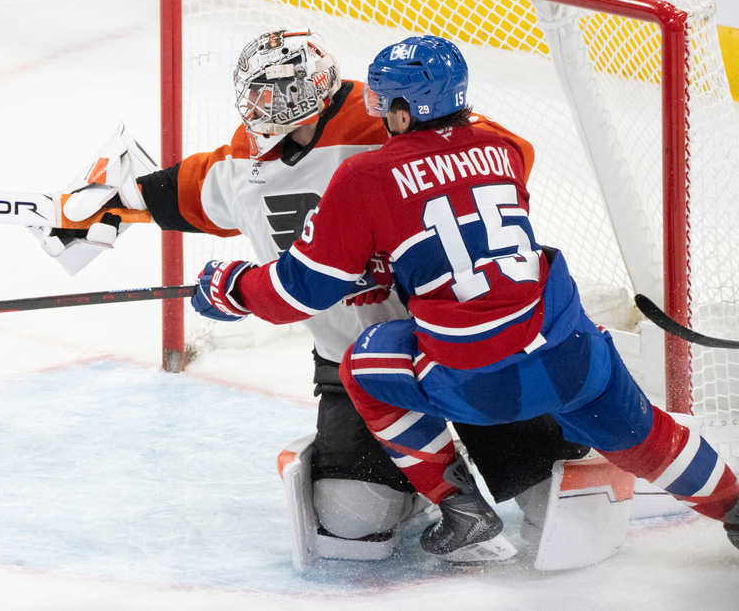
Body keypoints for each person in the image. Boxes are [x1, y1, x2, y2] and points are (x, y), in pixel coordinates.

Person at [32, 29, 612, 566]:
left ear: (317, 88)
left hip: (458, 346)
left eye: (276, 95)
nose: (261, 110)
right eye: (255, 97)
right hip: (352, 363)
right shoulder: (248, 159)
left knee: (561, 510)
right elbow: (187, 191)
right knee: (353, 529)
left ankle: (557, 444)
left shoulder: (385, 126)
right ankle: (416, 485)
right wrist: (106, 206)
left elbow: (497, 153)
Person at [193, 33, 739, 557]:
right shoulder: (502, 148)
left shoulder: (365, 174)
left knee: (363, 367)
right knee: (649, 438)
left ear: (406, 109)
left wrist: (233, 286)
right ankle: (732, 507)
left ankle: (458, 503)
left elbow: (301, 290)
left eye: (384, 102)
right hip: (569, 350)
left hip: (474, 378)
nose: (378, 112)